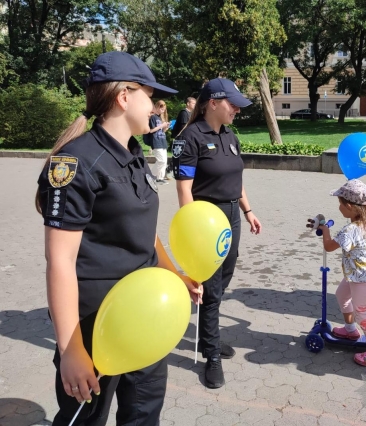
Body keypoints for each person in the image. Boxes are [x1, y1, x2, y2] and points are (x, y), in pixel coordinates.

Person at [35, 51, 200, 426]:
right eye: (149, 94)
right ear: (124, 97)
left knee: (143, 413)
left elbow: (142, 230)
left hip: (145, 314)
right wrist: (71, 348)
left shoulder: (134, 153)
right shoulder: (75, 164)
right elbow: (59, 261)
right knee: (86, 417)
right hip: (96, 322)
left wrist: (175, 274)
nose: (158, 105)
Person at [172, 78, 262, 389]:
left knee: (224, 276)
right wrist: (193, 228)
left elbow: (236, 180)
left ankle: (207, 334)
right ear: (212, 102)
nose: (237, 109)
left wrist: (248, 211)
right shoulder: (190, 138)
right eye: (232, 103)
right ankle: (210, 353)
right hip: (205, 220)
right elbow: (184, 189)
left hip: (232, 216)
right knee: (209, 288)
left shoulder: (230, 136)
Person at [317, 180, 366, 366]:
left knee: (363, 314)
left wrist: (325, 231)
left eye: (340, 204)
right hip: (358, 275)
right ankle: (350, 329)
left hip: (363, 279)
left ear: (349, 206)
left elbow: (329, 246)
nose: (339, 208)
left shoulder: (350, 230)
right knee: (341, 295)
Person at [148, 100, 170, 183]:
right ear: (157, 107)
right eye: (161, 108)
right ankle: (151, 175)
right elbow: (151, 130)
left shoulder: (160, 118)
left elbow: (161, 131)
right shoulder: (153, 117)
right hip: (156, 141)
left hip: (162, 141)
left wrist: (165, 128)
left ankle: (160, 178)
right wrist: (162, 125)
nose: (162, 111)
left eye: (164, 109)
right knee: (161, 161)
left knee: (164, 161)